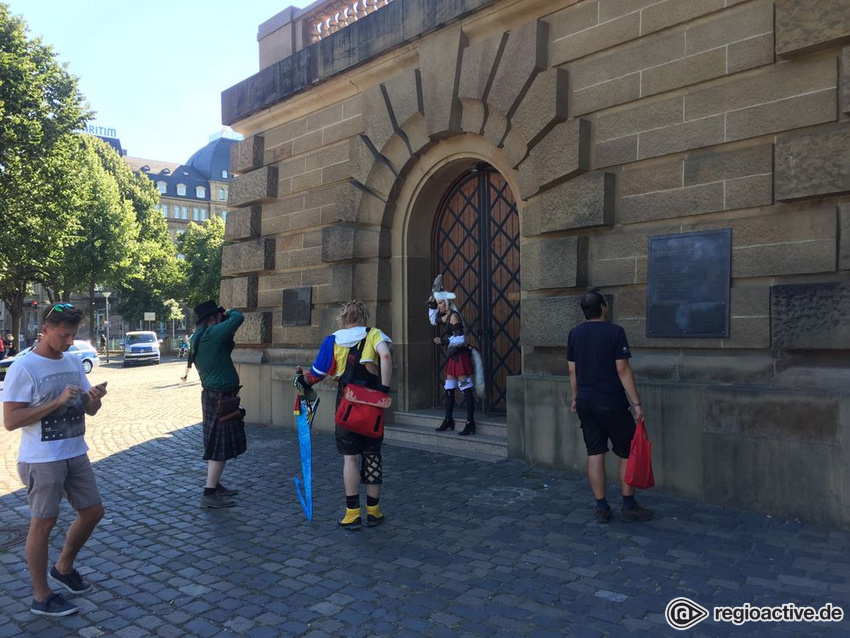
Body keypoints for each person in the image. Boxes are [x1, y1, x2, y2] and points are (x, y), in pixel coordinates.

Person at [2, 303, 108, 617]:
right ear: (45, 330)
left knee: (93, 512)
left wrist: (93, 400)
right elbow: (11, 420)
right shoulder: (24, 367)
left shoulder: (74, 361)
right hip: (41, 459)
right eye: (63, 335)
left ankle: (63, 568)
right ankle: (41, 597)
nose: (69, 341)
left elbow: (89, 411)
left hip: (75, 451)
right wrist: (57, 400)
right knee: (43, 524)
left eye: (73, 335)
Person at [296, 300, 392, 529]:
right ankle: (374, 511)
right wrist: (384, 390)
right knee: (372, 455)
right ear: (364, 317)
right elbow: (386, 357)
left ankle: (352, 514)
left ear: (343, 318)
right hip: (372, 404)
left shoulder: (333, 340)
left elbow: (317, 373)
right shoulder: (374, 334)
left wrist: (301, 381)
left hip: (346, 405)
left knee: (350, 458)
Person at [567, 289, 653, 524]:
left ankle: (601, 507)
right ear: (603, 307)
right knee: (625, 452)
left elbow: (572, 370)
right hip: (612, 401)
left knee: (595, 453)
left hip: (586, 401)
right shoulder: (615, 332)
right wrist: (636, 402)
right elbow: (622, 369)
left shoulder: (574, 334)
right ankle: (628, 504)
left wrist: (576, 397)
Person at [188, 300, 245, 509]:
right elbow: (238, 317)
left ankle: (215, 484)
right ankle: (209, 492)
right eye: (219, 316)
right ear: (212, 319)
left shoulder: (197, 337)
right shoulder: (211, 335)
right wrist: (228, 310)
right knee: (219, 446)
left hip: (215, 396)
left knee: (217, 443)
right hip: (220, 397)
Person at [428, 289, 476, 435]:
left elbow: (461, 339)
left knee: (465, 388)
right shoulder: (445, 316)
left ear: (448, 303)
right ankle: (448, 419)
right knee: (449, 388)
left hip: (460, 357)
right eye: (438, 303)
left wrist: (443, 340)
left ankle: (470, 423)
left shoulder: (454, 316)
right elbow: (432, 320)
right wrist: (431, 305)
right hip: (453, 357)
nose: (439, 306)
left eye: (441, 303)